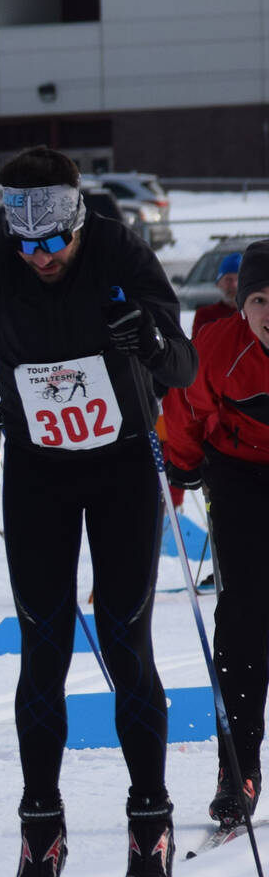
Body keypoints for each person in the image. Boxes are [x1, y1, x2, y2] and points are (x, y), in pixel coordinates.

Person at [0, 146, 196, 877]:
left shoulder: (117, 245)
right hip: (38, 469)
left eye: (53, 243)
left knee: (126, 637)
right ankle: (41, 830)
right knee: (43, 643)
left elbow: (184, 367)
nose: (39, 257)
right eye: (26, 243)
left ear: (76, 223)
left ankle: (149, 823)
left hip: (123, 466)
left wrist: (147, 340)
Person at [162, 239, 269, 831]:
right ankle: (239, 765)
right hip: (239, 473)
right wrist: (181, 463)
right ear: (241, 305)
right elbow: (183, 409)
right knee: (243, 615)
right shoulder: (217, 346)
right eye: (259, 300)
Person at [191, 252, 242, 339]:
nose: (234, 285)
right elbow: (198, 348)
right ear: (218, 283)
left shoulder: (257, 314)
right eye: (228, 280)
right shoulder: (205, 315)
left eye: (239, 279)